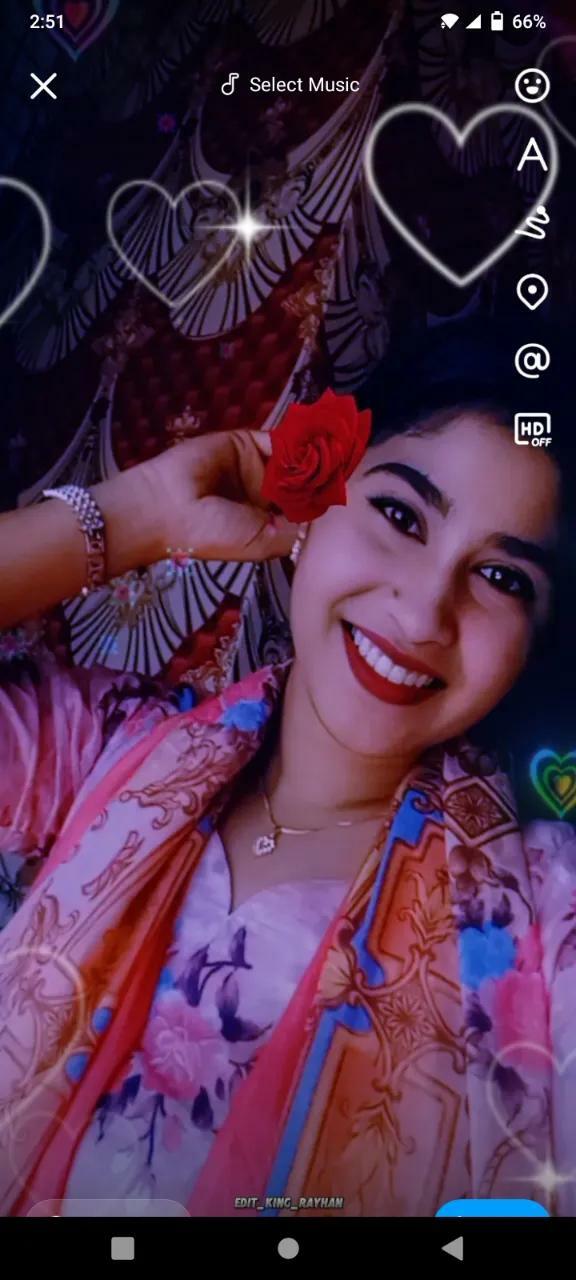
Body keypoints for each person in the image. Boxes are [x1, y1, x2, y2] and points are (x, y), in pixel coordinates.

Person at [1, 322, 575, 1220]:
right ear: (312, 507)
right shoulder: (99, 751)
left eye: (502, 579)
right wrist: (142, 512)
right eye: (400, 516)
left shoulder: (547, 912)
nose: (424, 611)